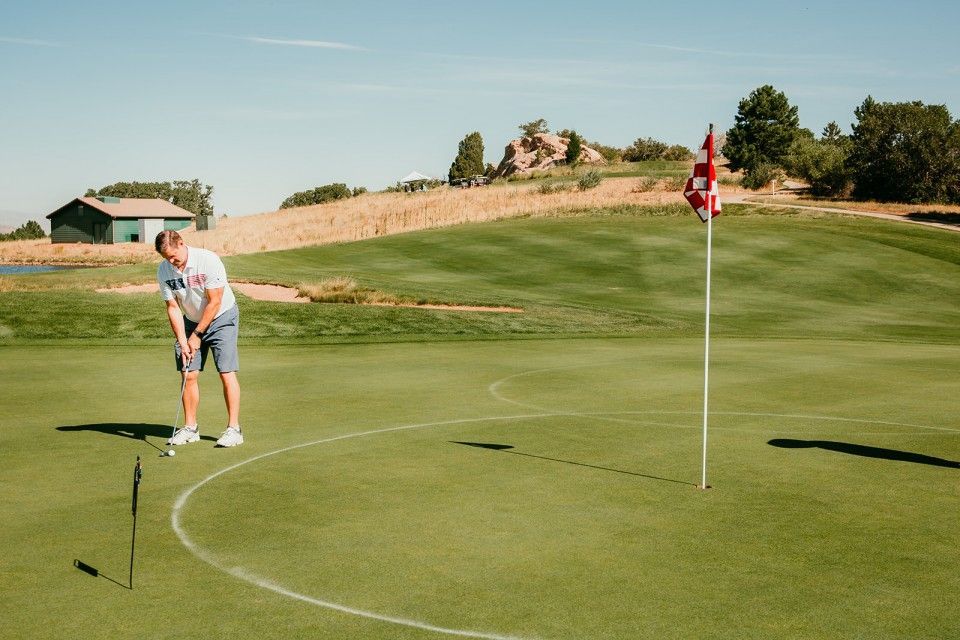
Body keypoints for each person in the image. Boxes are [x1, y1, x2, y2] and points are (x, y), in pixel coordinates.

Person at [155, 230, 243, 448]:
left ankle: (234, 429)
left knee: (226, 372)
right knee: (188, 373)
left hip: (222, 316)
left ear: (182, 243)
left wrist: (196, 336)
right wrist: (183, 340)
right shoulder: (164, 270)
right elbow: (173, 307)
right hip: (191, 321)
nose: (171, 262)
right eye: (166, 258)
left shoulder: (208, 260)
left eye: (173, 256)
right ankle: (190, 428)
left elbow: (214, 302)